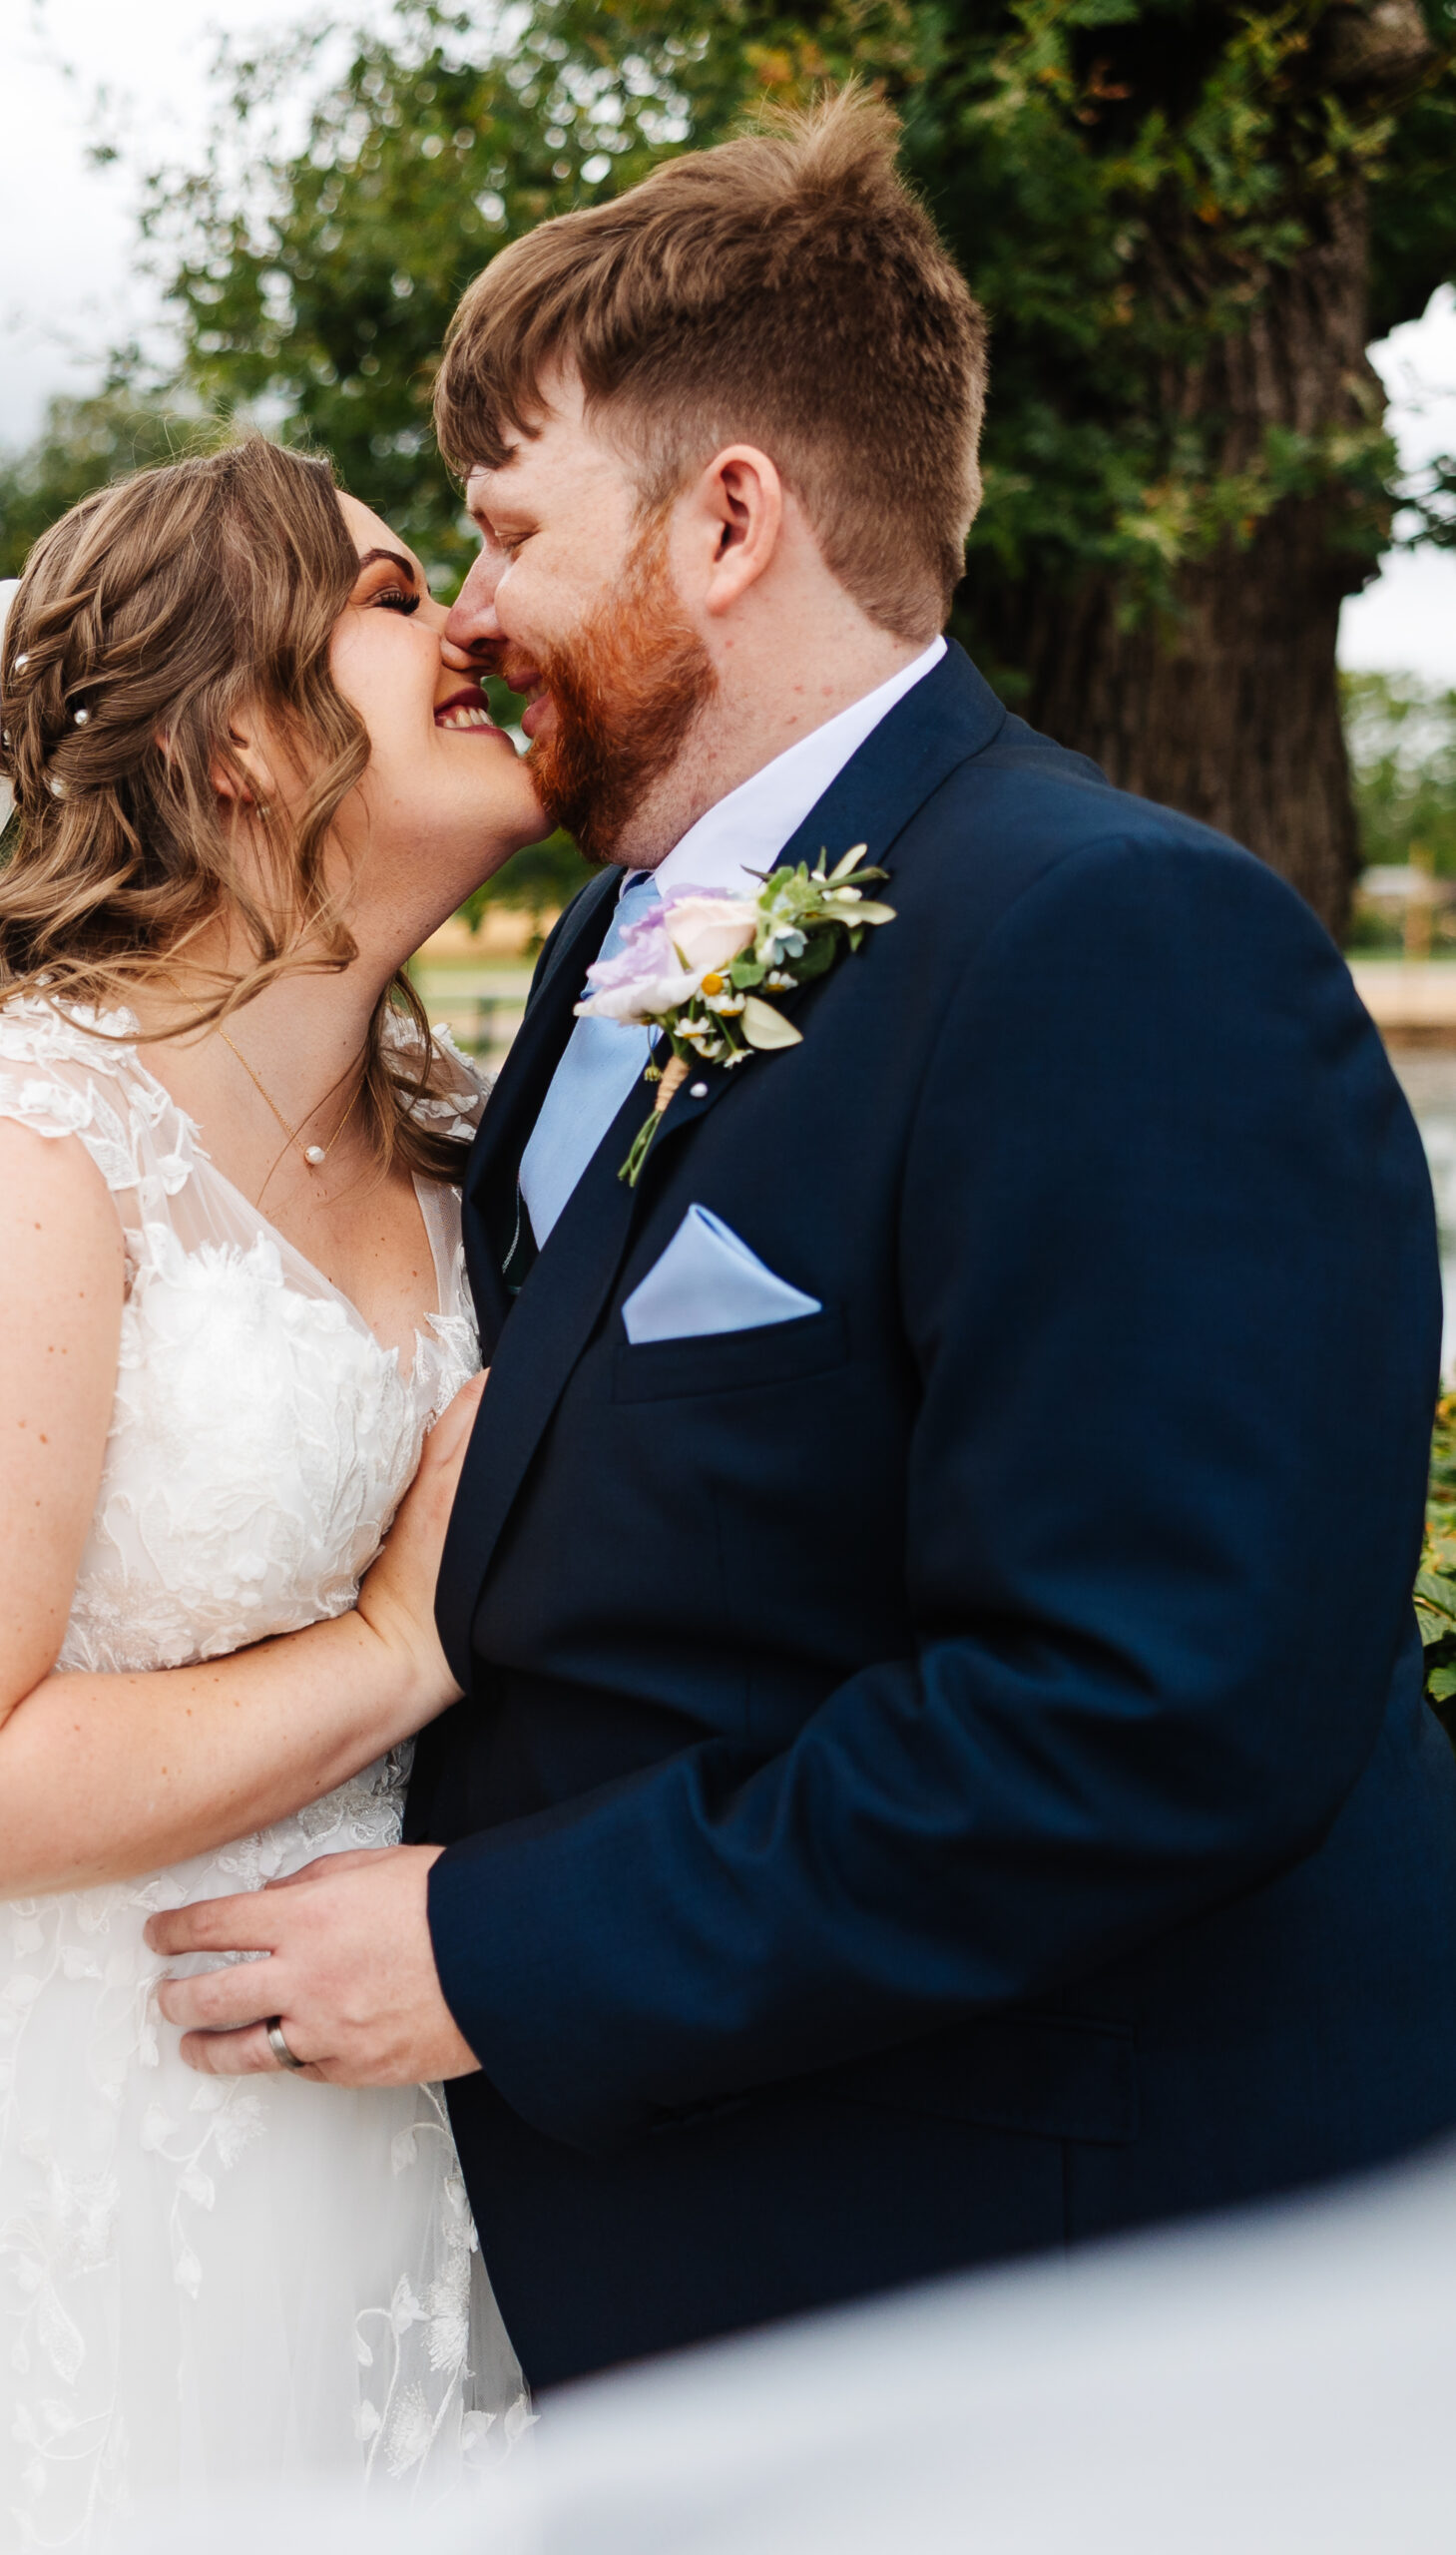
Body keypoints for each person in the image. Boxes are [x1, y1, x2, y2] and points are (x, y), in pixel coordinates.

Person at [151, 92, 1456, 2390]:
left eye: (506, 531)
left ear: (726, 518)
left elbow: (1150, 1705)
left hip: (1019, 2298)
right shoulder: (596, 954)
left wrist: (498, 1946)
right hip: (647, 2261)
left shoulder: (1110, 938)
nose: (470, 615)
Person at [0, 437, 540, 2551]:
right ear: (242, 742)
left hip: (417, 2126)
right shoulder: (12, 1133)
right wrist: (391, 1645)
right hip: (88, 2161)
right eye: (388, 596)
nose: (469, 619)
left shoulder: (475, 1129)